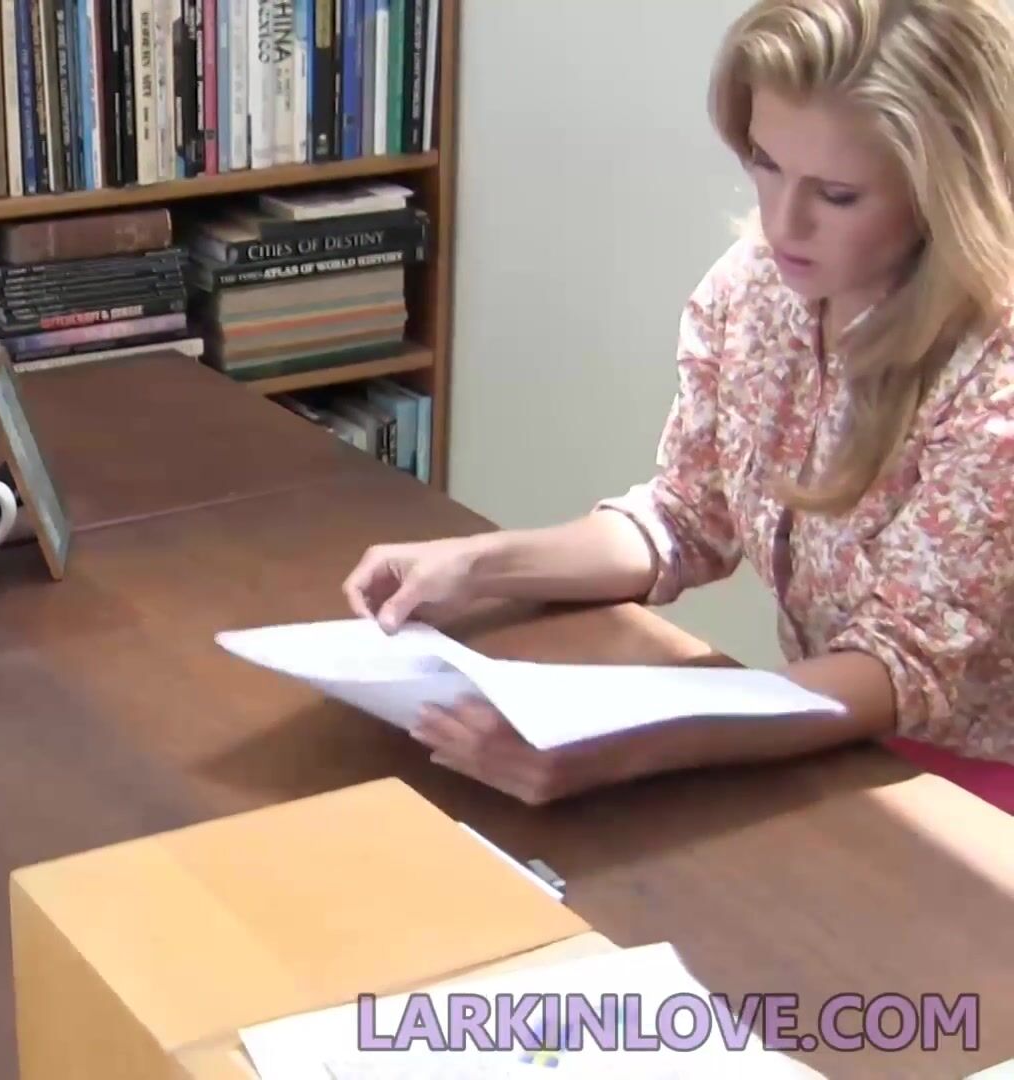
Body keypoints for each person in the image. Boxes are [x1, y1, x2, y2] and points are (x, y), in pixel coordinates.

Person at [342, 0, 1014, 814]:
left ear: (945, 190)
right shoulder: (754, 291)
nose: (782, 221)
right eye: (765, 162)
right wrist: (478, 567)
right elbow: (687, 517)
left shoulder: (994, 372)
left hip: (976, 787)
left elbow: (904, 667)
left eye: (838, 195)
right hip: (834, 740)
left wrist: (630, 746)